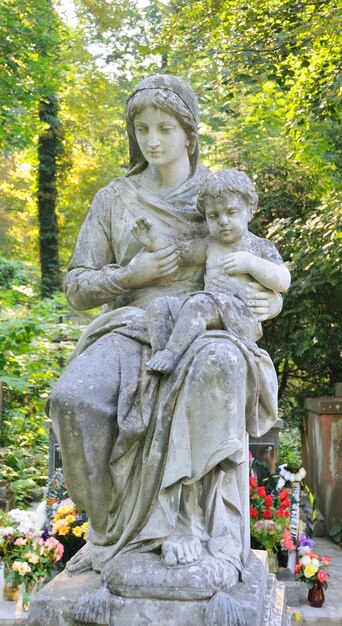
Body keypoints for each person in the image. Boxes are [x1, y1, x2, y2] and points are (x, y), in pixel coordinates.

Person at [48, 75, 283, 584]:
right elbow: (77, 285)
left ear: (189, 135)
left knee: (214, 367)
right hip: (130, 323)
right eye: (142, 129)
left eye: (165, 128)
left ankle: (189, 527)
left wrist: (268, 302)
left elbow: (253, 258)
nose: (152, 141)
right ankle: (108, 533)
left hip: (204, 326)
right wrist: (131, 276)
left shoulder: (215, 193)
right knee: (73, 398)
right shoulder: (114, 199)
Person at [130, 169, 290, 374]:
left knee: (200, 303)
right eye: (213, 216)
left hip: (241, 316)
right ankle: (163, 357)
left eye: (231, 212)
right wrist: (154, 241)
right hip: (209, 308)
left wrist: (250, 263)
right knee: (160, 305)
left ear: (249, 210)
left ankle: (172, 353)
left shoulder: (259, 247)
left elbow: (283, 280)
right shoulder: (210, 245)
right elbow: (179, 252)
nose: (223, 221)